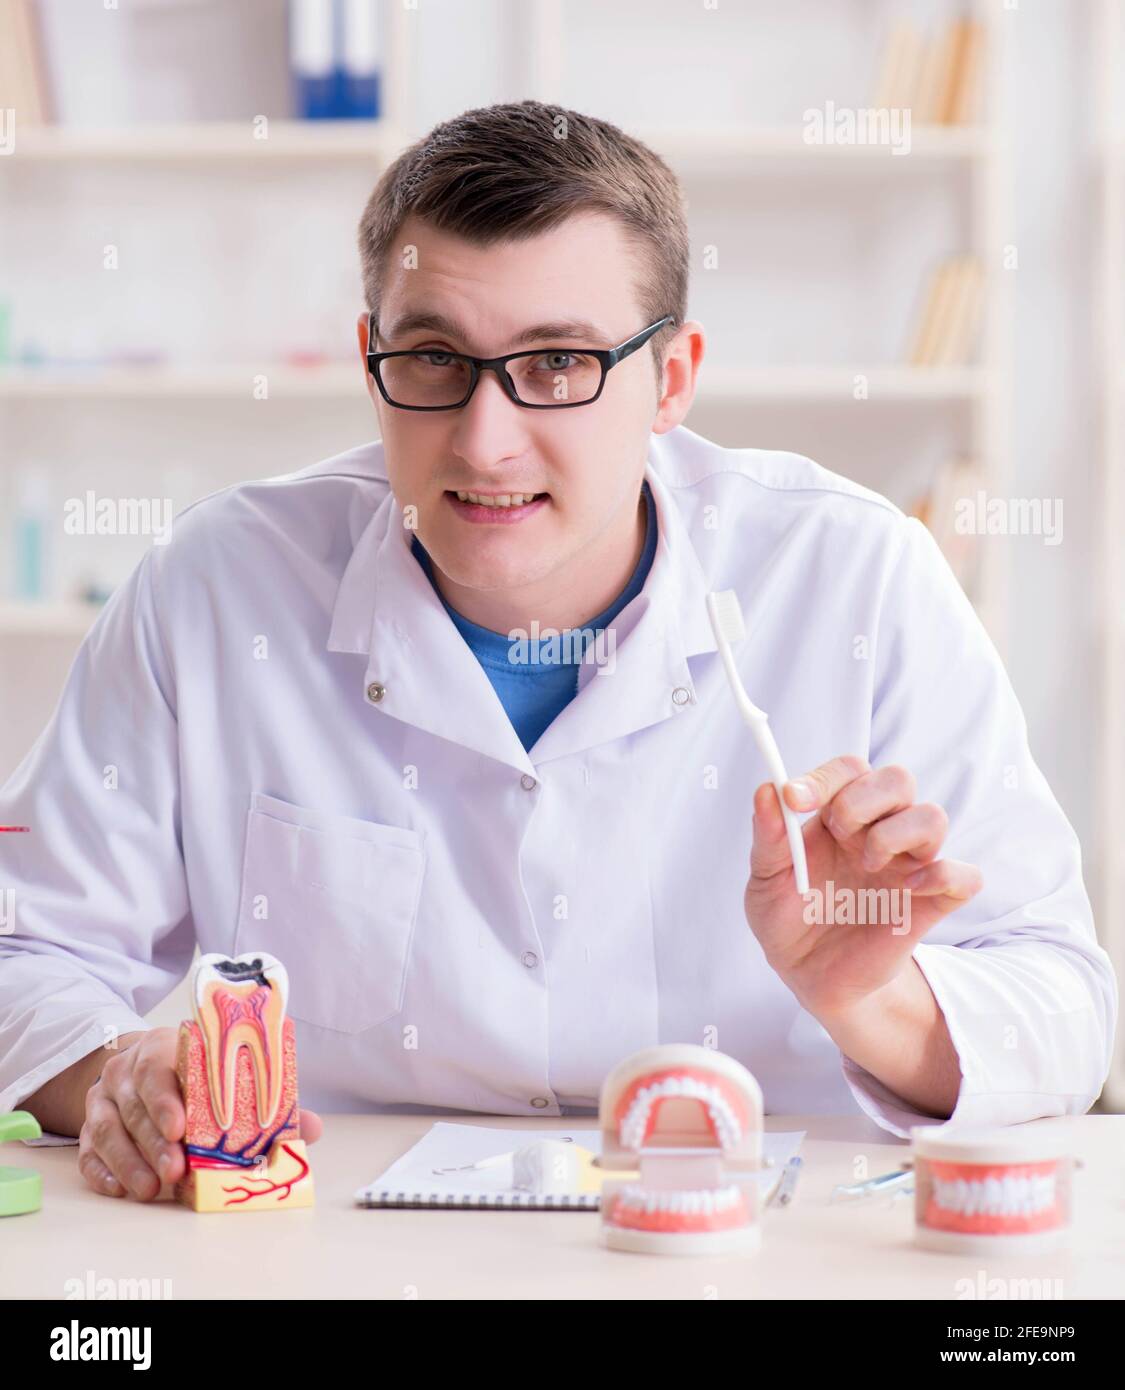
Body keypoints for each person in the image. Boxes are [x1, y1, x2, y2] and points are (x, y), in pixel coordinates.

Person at [0, 101, 1115, 1204]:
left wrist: (871, 1001)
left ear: (671, 379)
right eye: (434, 357)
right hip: (335, 1259)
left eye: (558, 364)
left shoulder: (857, 577)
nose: (486, 439)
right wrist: (128, 1077)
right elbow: (25, 949)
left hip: (751, 1254)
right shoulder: (215, 586)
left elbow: (1066, 1006)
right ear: (369, 355)